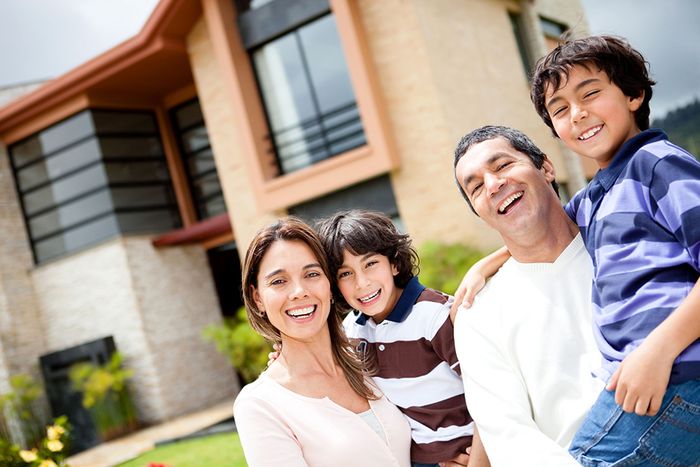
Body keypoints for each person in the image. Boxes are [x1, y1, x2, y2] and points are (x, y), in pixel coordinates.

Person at [530, 34, 700, 464]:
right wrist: (483, 268)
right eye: (560, 110)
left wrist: (657, 352)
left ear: (633, 94)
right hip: (654, 376)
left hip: (677, 372)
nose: (578, 113)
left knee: (585, 460)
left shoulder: (658, 164)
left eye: (589, 94)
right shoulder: (593, 198)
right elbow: (551, 234)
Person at [452, 125, 603, 466]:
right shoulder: (479, 314)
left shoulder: (619, 241)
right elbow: (511, 440)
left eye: (502, 166)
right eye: (476, 187)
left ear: (546, 168)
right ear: (479, 211)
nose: (493, 185)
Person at [233, 217, 412, 466]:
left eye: (312, 274)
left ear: (330, 285)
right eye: (279, 281)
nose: (299, 291)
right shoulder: (261, 405)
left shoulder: (368, 354)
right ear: (257, 298)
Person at [316, 210, 488, 467]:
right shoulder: (352, 330)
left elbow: (491, 393)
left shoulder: (433, 316)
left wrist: (479, 462)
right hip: (415, 459)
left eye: (370, 264)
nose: (362, 283)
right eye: (345, 274)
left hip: (473, 452)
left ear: (394, 264)